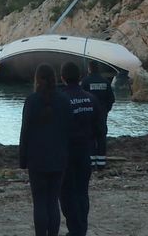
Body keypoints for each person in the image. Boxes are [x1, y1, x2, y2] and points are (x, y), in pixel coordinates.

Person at [19, 63, 72, 236]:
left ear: (38, 80)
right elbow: (69, 130)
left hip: (37, 158)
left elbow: (25, 131)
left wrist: (22, 159)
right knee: (53, 201)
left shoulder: (32, 101)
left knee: (40, 202)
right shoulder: (64, 100)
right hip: (59, 157)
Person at [60, 62, 104, 236]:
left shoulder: (60, 99)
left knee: (66, 192)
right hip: (86, 151)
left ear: (62, 78)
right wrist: (100, 156)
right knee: (82, 191)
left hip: (66, 153)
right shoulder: (91, 99)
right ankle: (81, 228)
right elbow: (100, 129)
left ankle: (75, 229)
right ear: (80, 77)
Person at [80, 60, 115, 169]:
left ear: (89, 69)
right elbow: (111, 99)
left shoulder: (85, 82)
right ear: (98, 68)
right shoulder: (105, 82)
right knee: (101, 138)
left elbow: (81, 98)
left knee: (90, 138)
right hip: (102, 115)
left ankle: (91, 163)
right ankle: (101, 163)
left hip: (88, 114)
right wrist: (106, 110)